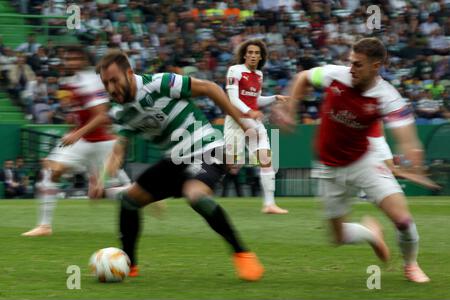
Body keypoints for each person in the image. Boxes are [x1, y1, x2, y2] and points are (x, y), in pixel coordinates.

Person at [95, 50, 264, 281]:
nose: (111, 88)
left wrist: (243, 123)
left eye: (114, 80)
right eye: (106, 83)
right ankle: (128, 265)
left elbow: (210, 88)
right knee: (129, 200)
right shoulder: (121, 111)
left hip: (207, 148)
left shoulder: (158, 83)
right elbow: (118, 149)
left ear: (129, 73)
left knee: (195, 196)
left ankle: (242, 252)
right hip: (175, 160)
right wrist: (102, 179)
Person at [286, 37, 430, 283]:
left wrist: (415, 165)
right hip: (328, 166)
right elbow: (303, 78)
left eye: (358, 64)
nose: (351, 69)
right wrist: (290, 109)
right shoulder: (335, 74)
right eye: (351, 62)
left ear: (376, 66)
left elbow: (406, 136)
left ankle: (411, 264)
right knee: (338, 238)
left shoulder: (387, 96)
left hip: (364, 161)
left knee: (403, 221)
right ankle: (371, 233)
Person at [22, 46, 130, 237]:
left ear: (84, 60)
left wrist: (76, 133)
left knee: (103, 192)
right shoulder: (70, 81)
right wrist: (73, 123)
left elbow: (101, 116)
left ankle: (142, 192)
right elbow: (80, 113)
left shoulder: (90, 81)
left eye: (75, 59)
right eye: (67, 59)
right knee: (51, 170)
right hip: (84, 141)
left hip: (101, 142)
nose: (70, 62)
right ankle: (44, 226)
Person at [224, 39, 289, 214]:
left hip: (254, 123)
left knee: (266, 160)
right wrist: (250, 112)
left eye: (257, 53)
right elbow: (233, 99)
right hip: (236, 121)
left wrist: (274, 97)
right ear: (244, 54)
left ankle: (269, 204)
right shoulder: (235, 70)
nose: (253, 56)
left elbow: (256, 99)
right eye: (250, 52)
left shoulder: (259, 75)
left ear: (261, 57)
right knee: (231, 164)